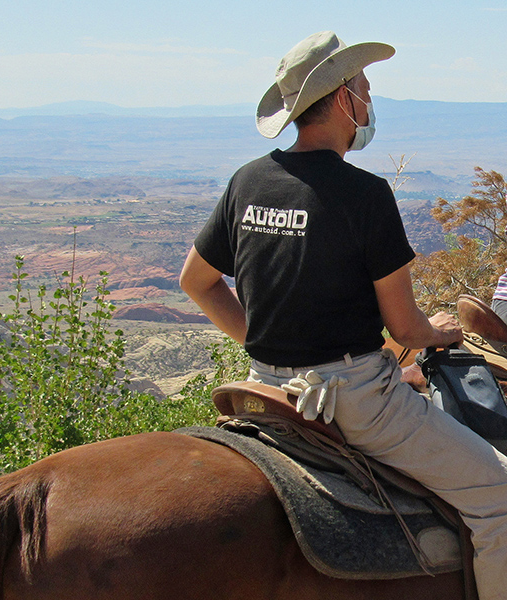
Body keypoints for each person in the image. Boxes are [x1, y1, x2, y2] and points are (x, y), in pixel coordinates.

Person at [179, 31, 507, 600]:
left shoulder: (247, 180)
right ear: (340, 100)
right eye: (365, 88)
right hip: (356, 402)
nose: (370, 100)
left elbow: (196, 283)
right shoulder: (365, 194)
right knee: (500, 495)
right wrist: (440, 331)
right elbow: (405, 330)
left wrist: (261, 342)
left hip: (262, 388)